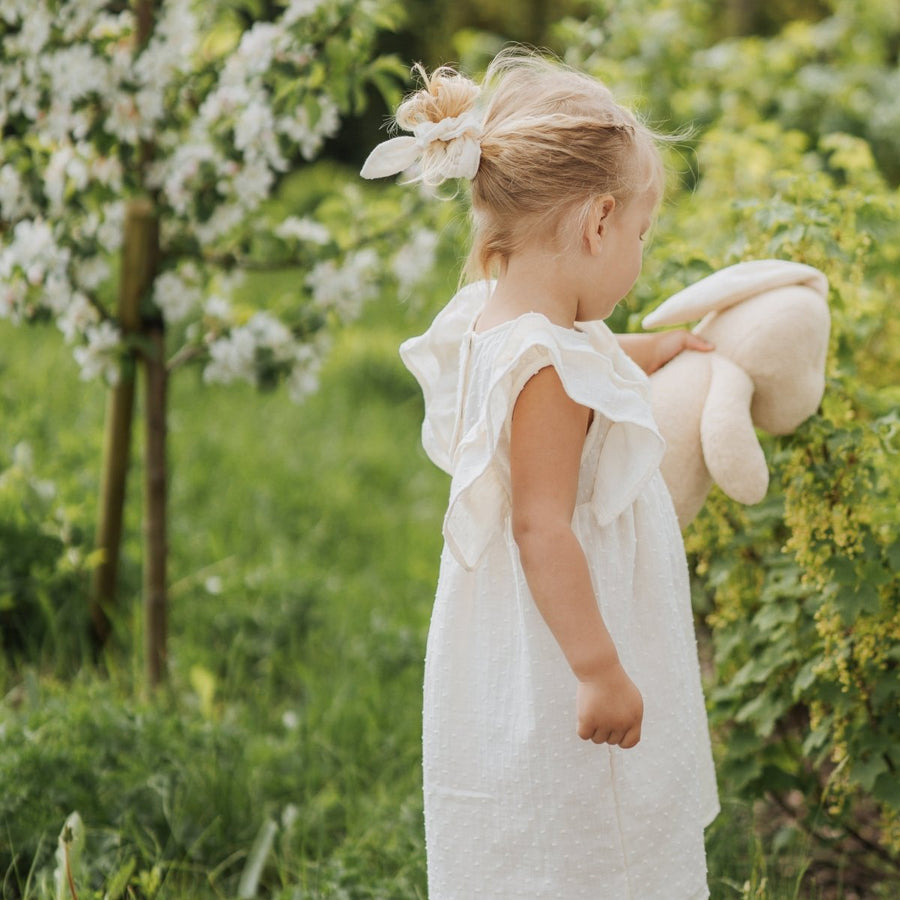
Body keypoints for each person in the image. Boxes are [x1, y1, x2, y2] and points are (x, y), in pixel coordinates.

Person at [362, 50, 719, 899]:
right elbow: (541, 525)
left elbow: (582, 352)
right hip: (564, 640)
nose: (637, 254)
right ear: (598, 223)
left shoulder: (504, 319)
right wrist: (599, 669)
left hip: (519, 634)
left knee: (543, 833)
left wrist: (652, 348)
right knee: (595, 836)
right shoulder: (546, 373)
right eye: (640, 234)